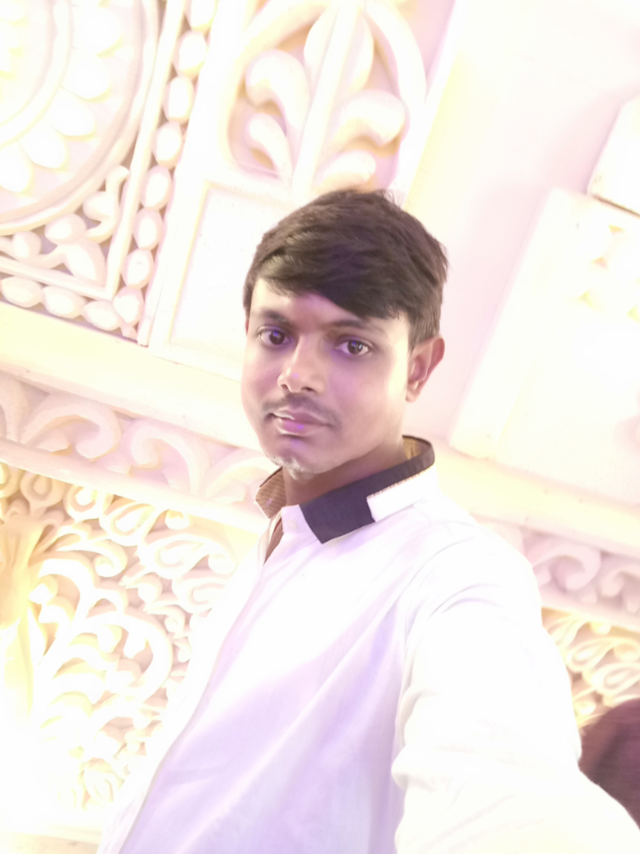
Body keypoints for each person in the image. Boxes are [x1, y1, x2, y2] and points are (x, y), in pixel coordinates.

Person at [97, 190, 640, 853]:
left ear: (417, 369)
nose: (298, 376)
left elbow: (511, 800)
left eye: (351, 345)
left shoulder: (457, 572)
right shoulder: (275, 537)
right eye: (276, 335)